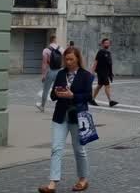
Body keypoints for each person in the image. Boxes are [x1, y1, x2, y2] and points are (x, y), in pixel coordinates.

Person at [40, 46, 92, 193]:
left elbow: (89, 96)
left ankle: (83, 179)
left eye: (71, 59)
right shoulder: (61, 74)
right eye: (66, 59)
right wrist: (57, 93)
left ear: (77, 59)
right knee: (56, 148)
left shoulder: (86, 75)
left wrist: (72, 96)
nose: (68, 62)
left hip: (78, 117)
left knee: (79, 150)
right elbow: (52, 96)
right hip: (60, 116)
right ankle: (52, 183)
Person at [39, 34, 63, 113]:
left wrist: (43, 75)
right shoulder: (61, 49)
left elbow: (44, 63)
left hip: (50, 71)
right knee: (60, 90)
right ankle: (61, 107)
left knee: (46, 89)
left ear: (49, 40)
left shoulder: (46, 50)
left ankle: (42, 106)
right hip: (59, 71)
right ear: (55, 40)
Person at [91, 38, 118, 107]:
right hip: (101, 72)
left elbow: (109, 64)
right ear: (102, 44)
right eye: (105, 43)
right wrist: (92, 71)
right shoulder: (100, 52)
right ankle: (110, 101)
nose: (107, 44)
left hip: (106, 72)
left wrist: (111, 73)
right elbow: (96, 62)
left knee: (99, 86)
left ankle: (92, 99)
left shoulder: (108, 53)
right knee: (107, 85)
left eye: (108, 43)